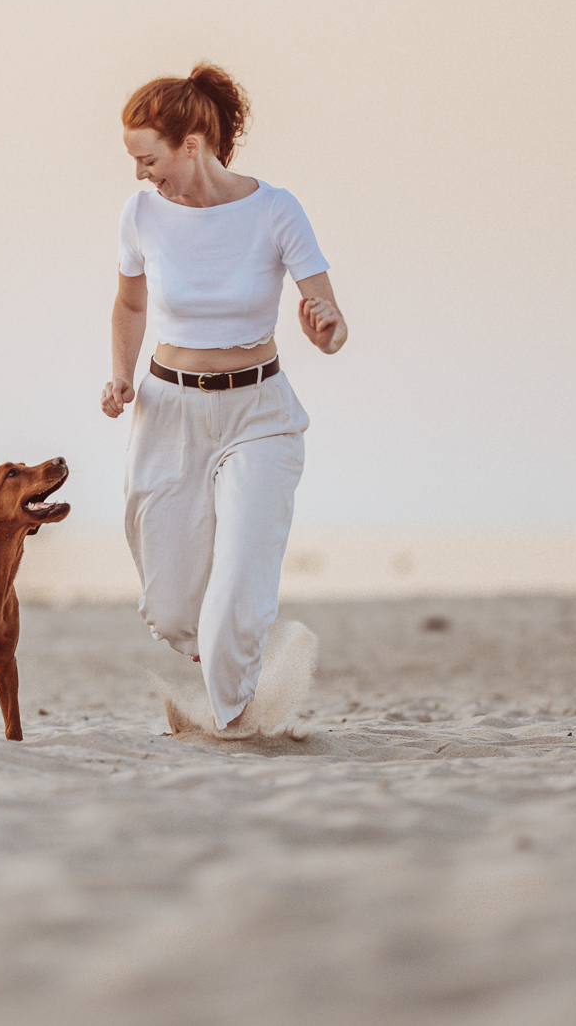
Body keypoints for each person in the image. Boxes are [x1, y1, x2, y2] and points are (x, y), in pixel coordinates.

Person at [100, 63, 347, 732]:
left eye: (147, 158)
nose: (140, 173)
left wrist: (324, 327)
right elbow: (129, 302)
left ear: (192, 143)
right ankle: (224, 661)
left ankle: (233, 723)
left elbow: (330, 317)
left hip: (257, 412)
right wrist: (122, 374)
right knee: (177, 605)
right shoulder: (141, 214)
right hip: (168, 411)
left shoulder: (275, 209)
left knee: (238, 582)